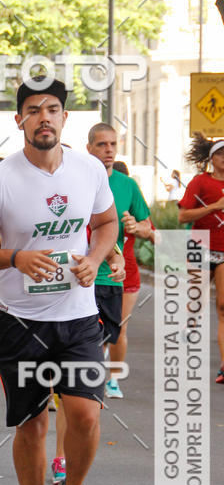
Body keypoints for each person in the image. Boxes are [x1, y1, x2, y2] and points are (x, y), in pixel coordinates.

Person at [0, 77, 118, 485]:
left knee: (85, 415)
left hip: (76, 314)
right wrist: (15, 258)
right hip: (19, 318)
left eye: (53, 109)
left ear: (64, 118)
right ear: (20, 121)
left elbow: (107, 223)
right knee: (32, 422)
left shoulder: (89, 169)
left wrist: (95, 258)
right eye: (34, 110)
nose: (44, 117)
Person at [87, 123, 151, 398]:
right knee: (80, 335)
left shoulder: (127, 185)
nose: (108, 150)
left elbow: (150, 229)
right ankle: (75, 386)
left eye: (112, 144)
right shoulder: (80, 180)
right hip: (81, 273)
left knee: (112, 332)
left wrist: (137, 228)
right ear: (89, 148)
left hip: (114, 274)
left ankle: (109, 379)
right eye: (102, 144)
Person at [179, 134, 224, 384]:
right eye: (220, 154)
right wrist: (213, 207)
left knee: (223, 308)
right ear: (211, 158)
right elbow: (183, 217)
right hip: (200, 248)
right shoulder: (200, 182)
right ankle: (189, 326)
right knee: (197, 301)